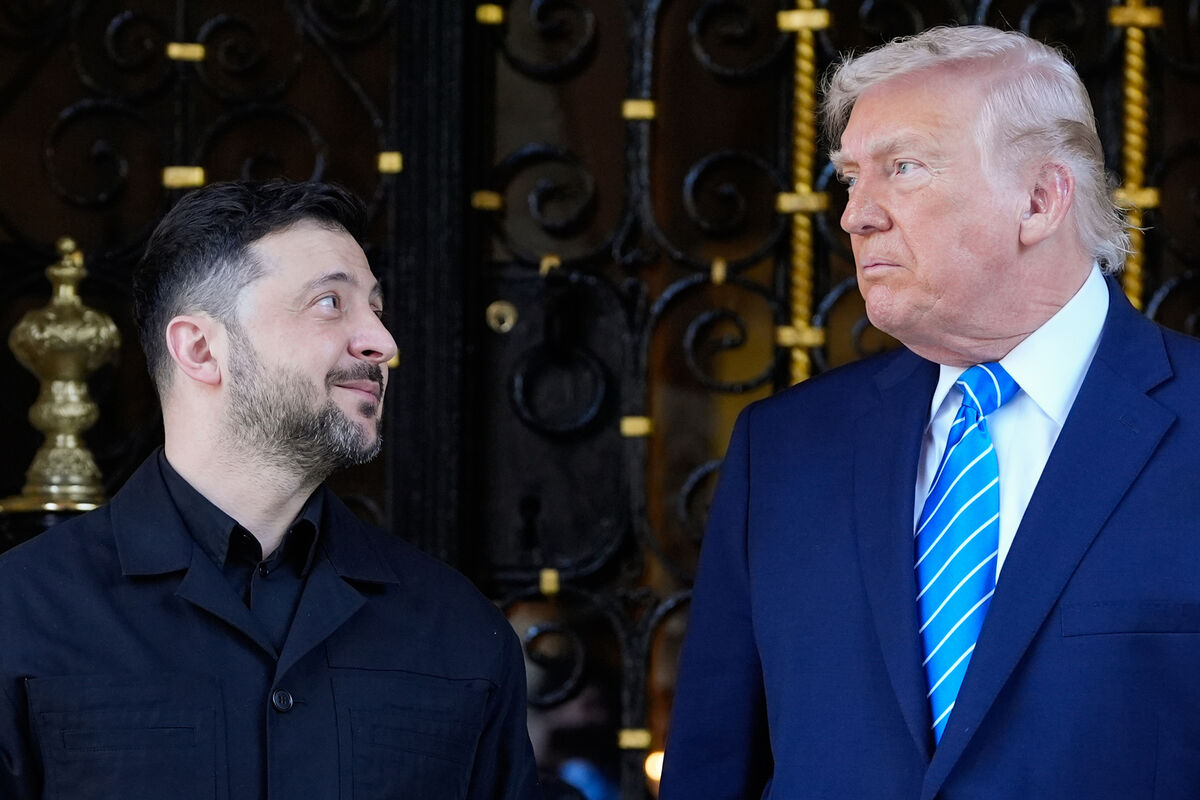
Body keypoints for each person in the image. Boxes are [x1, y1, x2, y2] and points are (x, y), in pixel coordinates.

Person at [661, 25, 1200, 800]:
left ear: (1039, 200)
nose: (855, 216)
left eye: (902, 168)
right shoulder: (783, 450)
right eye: (852, 178)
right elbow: (713, 769)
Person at [0, 180, 541, 799]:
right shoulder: (20, 616)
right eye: (330, 302)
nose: (383, 343)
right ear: (201, 349)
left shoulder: (460, 630)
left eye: (376, 309)